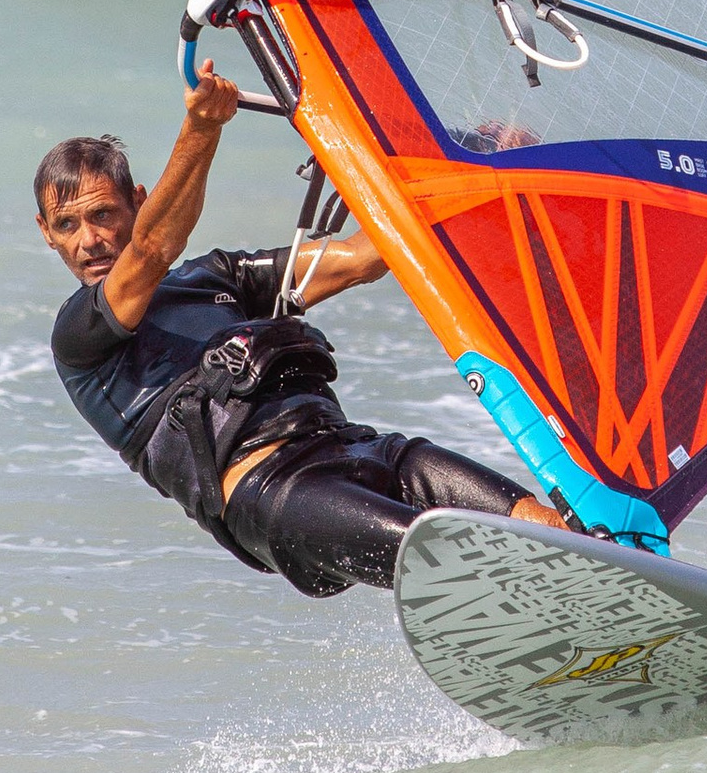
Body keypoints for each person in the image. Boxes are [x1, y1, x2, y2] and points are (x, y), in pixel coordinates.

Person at [36, 72, 567, 595]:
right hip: (279, 496)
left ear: (138, 200)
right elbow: (152, 251)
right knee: (470, 563)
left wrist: (482, 165)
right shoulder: (79, 338)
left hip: (359, 448)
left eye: (103, 215)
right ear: (47, 234)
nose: (89, 241)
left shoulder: (216, 278)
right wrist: (201, 128)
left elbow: (364, 257)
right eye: (67, 225)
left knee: (547, 530)